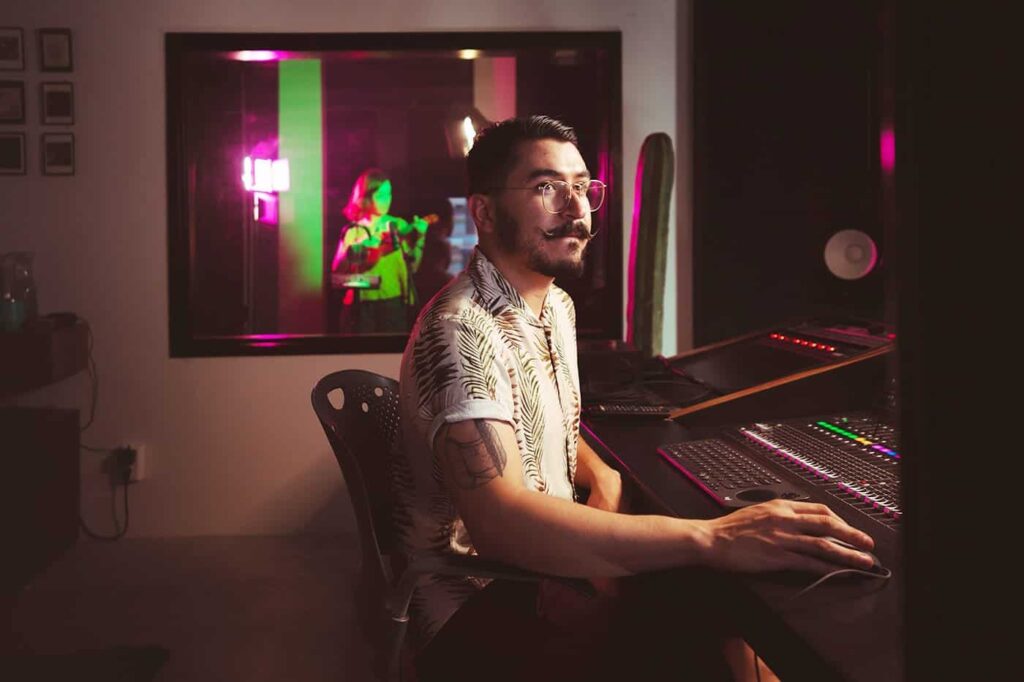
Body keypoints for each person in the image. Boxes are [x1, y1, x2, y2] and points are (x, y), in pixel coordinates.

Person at [395, 116, 877, 682]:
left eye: (582, 186)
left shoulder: (554, 307)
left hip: (544, 572)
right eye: (547, 186)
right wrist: (712, 537)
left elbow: (545, 422)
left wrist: (604, 476)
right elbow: (501, 525)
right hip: (478, 605)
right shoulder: (461, 329)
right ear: (483, 211)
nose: (576, 207)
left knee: (709, 601)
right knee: (706, 615)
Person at [329, 168, 429, 333]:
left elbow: (413, 267)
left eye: (389, 193)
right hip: (360, 305)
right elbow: (337, 270)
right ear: (366, 197)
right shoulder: (354, 230)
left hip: (393, 302)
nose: (387, 199)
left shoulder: (398, 225)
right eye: (381, 195)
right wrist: (362, 246)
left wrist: (420, 238)